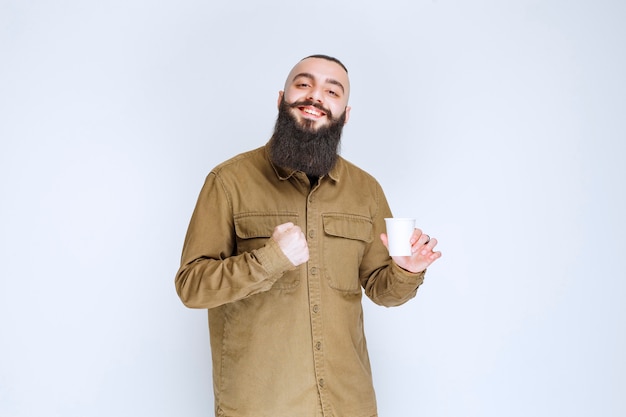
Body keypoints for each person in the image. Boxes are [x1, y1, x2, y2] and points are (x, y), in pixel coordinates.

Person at [175, 54, 442, 417]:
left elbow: (383, 292)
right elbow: (192, 287)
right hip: (262, 404)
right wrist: (270, 259)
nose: (315, 96)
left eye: (332, 91)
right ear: (281, 99)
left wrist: (406, 271)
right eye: (303, 84)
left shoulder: (367, 190)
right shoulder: (228, 182)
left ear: (345, 114)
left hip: (349, 402)